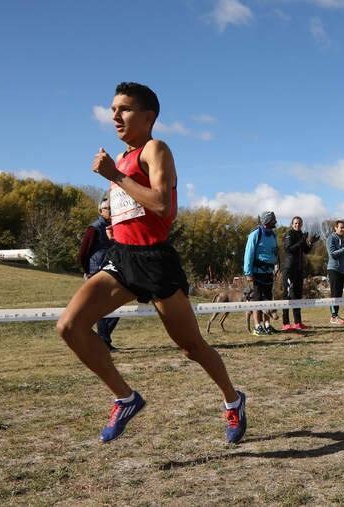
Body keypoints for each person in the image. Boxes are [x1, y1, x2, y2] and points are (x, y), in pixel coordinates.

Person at [56, 82, 246, 444]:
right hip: (122, 260)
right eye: (112, 109)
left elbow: (161, 205)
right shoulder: (122, 159)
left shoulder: (155, 150)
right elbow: (135, 209)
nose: (115, 116)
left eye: (124, 109)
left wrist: (115, 177)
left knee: (191, 348)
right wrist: (113, 214)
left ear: (148, 116)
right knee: (69, 326)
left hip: (156, 261)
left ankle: (233, 399)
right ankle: (125, 398)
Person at [77, 198, 120, 351]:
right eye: (107, 208)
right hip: (96, 272)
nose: (111, 211)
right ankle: (102, 342)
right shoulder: (94, 228)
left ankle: (103, 341)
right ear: (100, 211)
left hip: (111, 271)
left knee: (116, 307)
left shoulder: (115, 227)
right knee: (104, 308)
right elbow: (83, 252)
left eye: (112, 208)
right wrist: (87, 271)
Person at [244, 211, 280, 335]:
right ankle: (257, 326)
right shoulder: (255, 234)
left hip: (269, 273)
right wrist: (248, 272)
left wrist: (276, 265)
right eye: (273, 221)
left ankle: (267, 325)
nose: (275, 222)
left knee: (268, 300)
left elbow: (275, 251)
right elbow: (248, 253)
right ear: (267, 222)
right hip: (257, 273)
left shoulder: (273, 235)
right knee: (257, 300)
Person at [281, 216, 318, 331]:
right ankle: (285, 323)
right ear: (292, 224)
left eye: (299, 223)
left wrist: (310, 243)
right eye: (295, 223)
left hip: (299, 270)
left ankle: (298, 323)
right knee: (287, 296)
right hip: (289, 269)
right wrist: (302, 241)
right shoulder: (289, 234)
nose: (297, 225)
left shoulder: (302, 234)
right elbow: (288, 249)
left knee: (297, 296)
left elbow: (305, 250)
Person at [326, 220, 344, 325]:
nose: (343, 229)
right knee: (334, 294)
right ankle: (333, 317)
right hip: (333, 269)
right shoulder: (331, 238)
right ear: (335, 228)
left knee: (339, 295)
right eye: (341, 227)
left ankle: (336, 315)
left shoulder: (342, 239)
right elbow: (333, 254)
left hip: (342, 270)